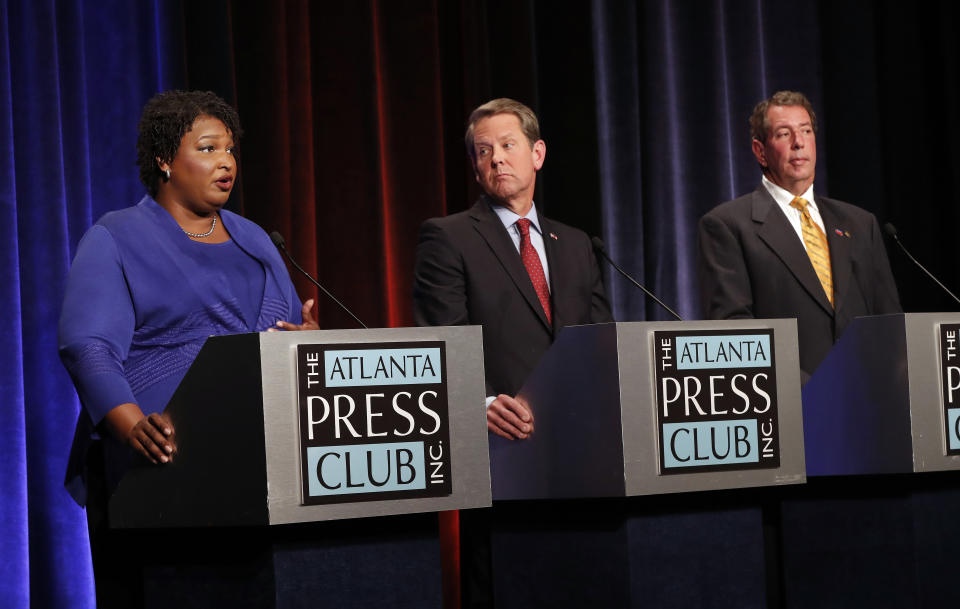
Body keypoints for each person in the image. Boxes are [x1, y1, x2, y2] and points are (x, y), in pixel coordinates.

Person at [58, 90, 317, 607]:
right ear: (164, 160)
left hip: (263, 471)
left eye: (230, 150)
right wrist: (133, 425)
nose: (226, 162)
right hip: (160, 473)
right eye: (207, 148)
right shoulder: (117, 237)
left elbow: (283, 330)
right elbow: (87, 345)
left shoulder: (256, 240)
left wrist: (305, 342)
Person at [412, 97, 613, 607]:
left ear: (537, 153)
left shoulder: (576, 243)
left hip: (580, 453)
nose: (496, 159)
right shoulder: (449, 237)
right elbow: (443, 337)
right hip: (503, 449)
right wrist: (481, 405)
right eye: (483, 151)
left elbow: (598, 335)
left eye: (507, 145)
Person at [698, 90, 901, 379]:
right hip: (790, 406)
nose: (799, 142)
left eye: (806, 130)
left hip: (868, 399)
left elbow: (889, 321)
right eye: (784, 134)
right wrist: (811, 391)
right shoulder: (727, 226)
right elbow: (735, 334)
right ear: (760, 150)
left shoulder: (859, 223)